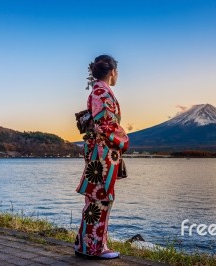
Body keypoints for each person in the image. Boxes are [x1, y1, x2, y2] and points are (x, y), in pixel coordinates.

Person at [74, 55, 129, 259]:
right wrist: (124, 139)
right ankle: (96, 248)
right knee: (101, 197)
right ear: (112, 72)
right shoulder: (102, 91)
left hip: (98, 150)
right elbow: (106, 124)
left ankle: (84, 245)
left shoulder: (97, 90)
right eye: (117, 72)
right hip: (102, 152)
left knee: (95, 198)